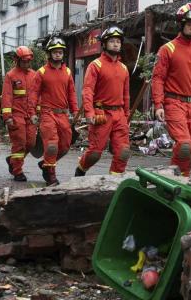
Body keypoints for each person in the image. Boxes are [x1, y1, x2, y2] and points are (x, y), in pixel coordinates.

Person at [152, 2, 191, 177]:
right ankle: (171, 181)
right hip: (173, 103)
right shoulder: (167, 49)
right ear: (181, 25)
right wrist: (159, 105)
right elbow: (157, 79)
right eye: (190, 24)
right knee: (184, 146)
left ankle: (182, 181)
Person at [75, 26, 131, 177]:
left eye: (118, 41)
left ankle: (114, 182)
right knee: (95, 153)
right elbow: (87, 91)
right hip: (101, 114)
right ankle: (80, 170)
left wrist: (126, 115)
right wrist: (89, 112)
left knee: (123, 151)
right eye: (112, 41)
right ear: (104, 44)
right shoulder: (95, 65)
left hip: (119, 114)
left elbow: (126, 95)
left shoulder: (124, 68)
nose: (115, 44)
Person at [36, 37, 77, 186]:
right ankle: (50, 175)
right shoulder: (41, 72)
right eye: (55, 52)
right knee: (52, 145)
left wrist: (74, 111)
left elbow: (71, 93)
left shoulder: (67, 72)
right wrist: (33, 113)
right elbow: (34, 94)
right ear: (49, 54)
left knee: (65, 147)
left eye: (60, 52)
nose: (58, 55)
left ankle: (46, 163)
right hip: (47, 114)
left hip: (63, 114)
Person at [3, 46, 40, 182]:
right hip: (16, 115)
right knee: (20, 143)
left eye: (28, 61)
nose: (26, 64)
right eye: (24, 61)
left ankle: (12, 160)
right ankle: (17, 171)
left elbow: (37, 95)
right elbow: (6, 97)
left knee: (30, 143)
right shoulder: (11, 75)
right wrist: (7, 117)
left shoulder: (34, 75)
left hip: (30, 115)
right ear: (17, 61)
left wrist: (37, 112)